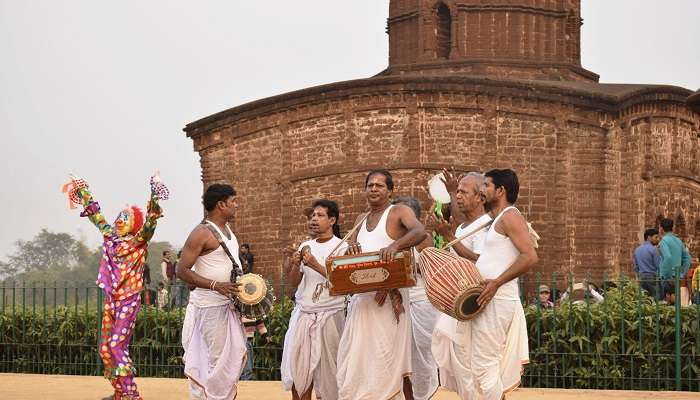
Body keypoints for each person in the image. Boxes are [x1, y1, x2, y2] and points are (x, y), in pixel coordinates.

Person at [64, 172, 168, 400]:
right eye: (119, 216)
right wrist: (84, 191)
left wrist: (155, 194)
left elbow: (150, 222)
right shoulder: (111, 237)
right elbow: (97, 217)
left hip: (129, 300)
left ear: (134, 225)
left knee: (116, 345)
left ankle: (133, 395)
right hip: (112, 300)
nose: (119, 220)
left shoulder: (139, 241)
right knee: (105, 349)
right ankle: (119, 392)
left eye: (125, 218)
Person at [337, 170, 426, 400]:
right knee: (358, 359)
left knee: (386, 359)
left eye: (379, 185)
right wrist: (351, 250)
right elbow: (354, 254)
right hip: (363, 301)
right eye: (370, 185)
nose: (374, 189)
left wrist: (396, 246)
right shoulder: (360, 219)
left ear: (390, 190)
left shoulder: (398, 211)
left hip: (389, 301)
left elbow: (419, 231)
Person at [451, 168, 538, 399]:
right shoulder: (496, 218)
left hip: (497, 298)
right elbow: (465, 220)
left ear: (500, 190)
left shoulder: (510, 215)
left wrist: (497, 283)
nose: (482, 189)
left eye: (487, 185)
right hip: (488, 297)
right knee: (478, 364)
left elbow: (530, 256)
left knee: (484, 364)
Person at [177, 184, 247, 400]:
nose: (236, 206)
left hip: (227, 307)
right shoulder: (201, 233)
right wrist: (217, 286)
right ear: (221, 204)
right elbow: (181, 270)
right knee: (215, 364)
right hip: (209, 309)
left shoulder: (227, 231)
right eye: (233, 201)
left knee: (228, 366)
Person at [430, 172, 493, 397]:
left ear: (480, 198)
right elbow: (458, 229)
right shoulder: (464, 227)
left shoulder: (487, 226)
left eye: (463, 192)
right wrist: (450, 189)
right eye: (457, 192)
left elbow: (481, 261)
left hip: (477, 304)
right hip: (461, 305)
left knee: (474, 367)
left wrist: (448, 238)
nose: (458, 196)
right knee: (462, 367)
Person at [281, 199, 347, 400]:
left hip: (332, 314)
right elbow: (294, 283)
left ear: (332, 220)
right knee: (299, 374)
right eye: (312, 216)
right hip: (304, 313)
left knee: (331, 376)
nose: (314, 219)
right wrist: (293, 265)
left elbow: (344, 283)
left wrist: (316, 265)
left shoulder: (343, 247)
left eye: (319, 216)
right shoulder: (305, 246)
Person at [392, 196, 439, 400]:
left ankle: (423, 396)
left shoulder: (424, 238)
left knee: (421, 356)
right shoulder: (392, 240)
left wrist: (411, 267)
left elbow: (433, 269)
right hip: (397, 305)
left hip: (421, 303)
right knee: (401, 359)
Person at [658, 218, 693, 306]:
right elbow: (688, 258)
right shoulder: (678, 240)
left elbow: (668, 257)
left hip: (667, 277)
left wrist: (665, 275)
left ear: (661, 228)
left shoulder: (664, 241)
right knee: (675, 304)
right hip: (677, 276)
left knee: (665, 305)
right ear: (672, 227)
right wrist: (681, 273)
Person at [633, 228, 661, 299]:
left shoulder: (637, 250)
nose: (657, 239)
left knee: (644, 299)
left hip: (642, 277)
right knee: (656, 299)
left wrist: (639, 275)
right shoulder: (653, 249)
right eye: (656, 237)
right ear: (649, 237)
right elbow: (658, 265)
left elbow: (636, 267)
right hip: (652, 276)